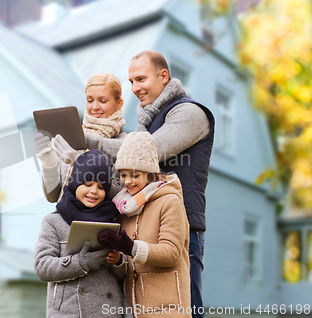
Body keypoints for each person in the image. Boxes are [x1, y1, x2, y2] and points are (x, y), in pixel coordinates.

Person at [85, 51, 215, 318]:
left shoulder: (190, 113)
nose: (135, 88)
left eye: (141, 79)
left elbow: (146, 151)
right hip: (141, 227)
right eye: (131, 81)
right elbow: (128, 177)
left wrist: (87, 141)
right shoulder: (148, 121)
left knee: (185, 309)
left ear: (163, 76)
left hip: (181, 226)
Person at [98, 132, 191, 318]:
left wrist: (131, 247)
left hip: (168, 308)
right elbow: (129, 264)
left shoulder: (169, 202)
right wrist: (118, 260)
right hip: (135, 309)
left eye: (135, 175)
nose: (128, 181)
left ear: (150, 174)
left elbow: (171, 253)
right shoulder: (125, 208)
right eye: (123, 174)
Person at [34, 150, 133, 318]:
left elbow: (123, 275)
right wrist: (80, 262)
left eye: (101, 187)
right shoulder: (53, 222)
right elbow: (42, 267)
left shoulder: (113, 221)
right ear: (75, 183)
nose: (94, 191)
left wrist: (118, 262)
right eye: (88, 184)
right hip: (69, 311)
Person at [35, 72, 127, 203]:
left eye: (102, 101)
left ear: (119, 103)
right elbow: (53, 197)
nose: (94, 107)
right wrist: (48, 162)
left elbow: (119, 195)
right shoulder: (72, 138)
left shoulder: (125, 143)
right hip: (65, 219)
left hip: (101, 221)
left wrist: (80, 163)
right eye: (90, 100)